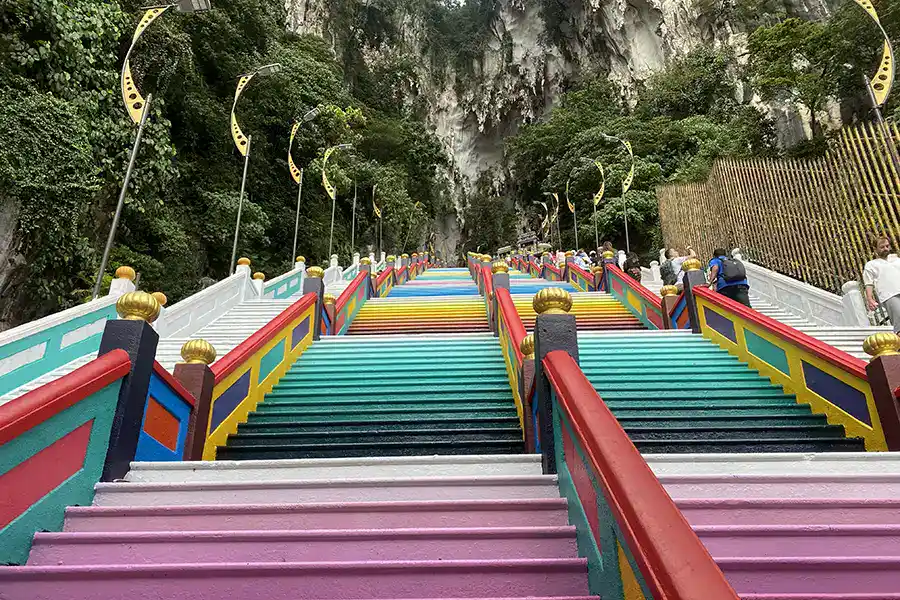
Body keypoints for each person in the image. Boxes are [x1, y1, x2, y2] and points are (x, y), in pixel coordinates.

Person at [863, 235, 900, 332]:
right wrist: (870, 299)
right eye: (882, 247)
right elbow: (868, 283)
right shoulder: (871, 265)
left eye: (887, 246)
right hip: (889, 295)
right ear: (875, 249)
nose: (886, 249)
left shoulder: (898, 260)